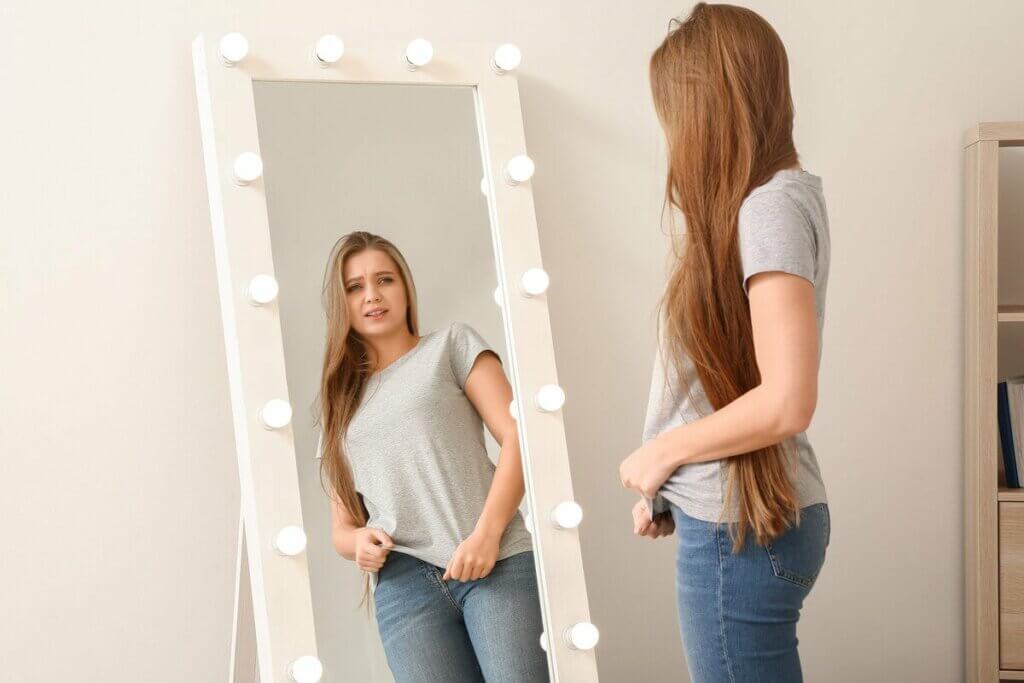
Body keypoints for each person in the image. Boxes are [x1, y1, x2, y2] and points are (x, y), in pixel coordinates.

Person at [618, 4, 831, 682]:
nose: (673, 135)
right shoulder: (772, 201)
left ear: (711, 105)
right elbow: (728, 377)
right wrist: (671, 487)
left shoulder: (767, 208)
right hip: (738, 517)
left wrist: (662, 453)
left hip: (738, 534)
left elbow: (788, 400)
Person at [317, 231, 548, 682]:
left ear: (405, 286)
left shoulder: (450, 346)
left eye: (384, 279)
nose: (372, 295)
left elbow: (520, 437)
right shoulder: (339, 404)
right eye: (355, 286)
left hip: (492, 560)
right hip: (403, 588)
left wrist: (487, 536)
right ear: (341, 303)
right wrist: (359, 544)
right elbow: (342, 529)